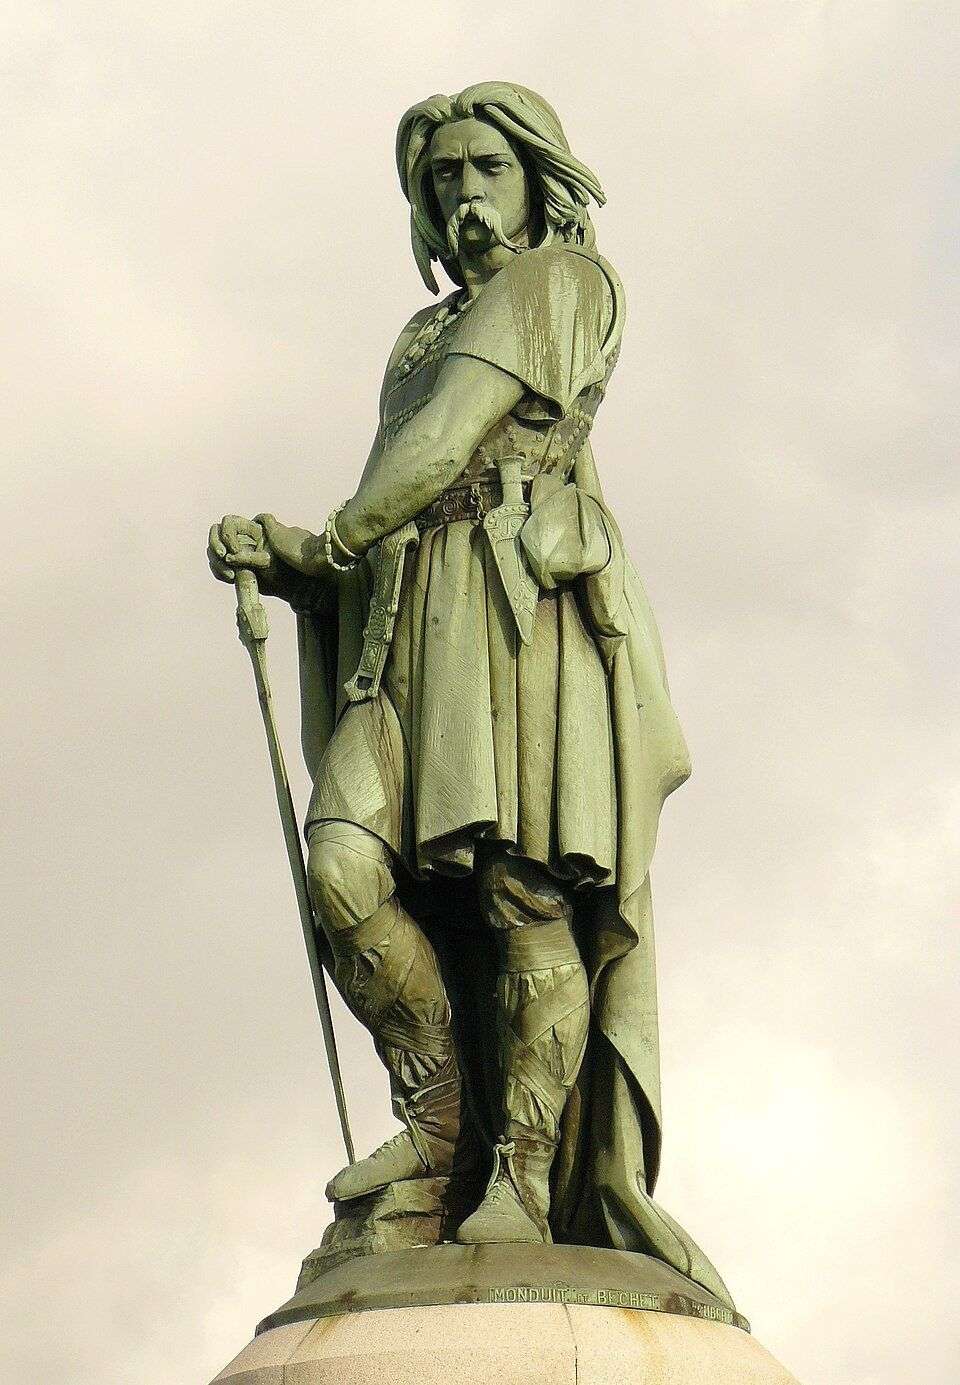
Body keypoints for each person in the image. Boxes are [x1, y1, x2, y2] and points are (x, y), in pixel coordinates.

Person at [208, 81, 732, 1302]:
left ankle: (524, 1171)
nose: (462, 192)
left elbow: (448, 440)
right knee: (344, 865)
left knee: (519, 890)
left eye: (484, 166)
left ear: (535, 177)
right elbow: (400, 477)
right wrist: (299, 559)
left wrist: (326, 538)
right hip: (405, 616)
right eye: (441, 176)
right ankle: (437, 1123)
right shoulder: (419, 332)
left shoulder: (560, 284)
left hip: (514, 614)